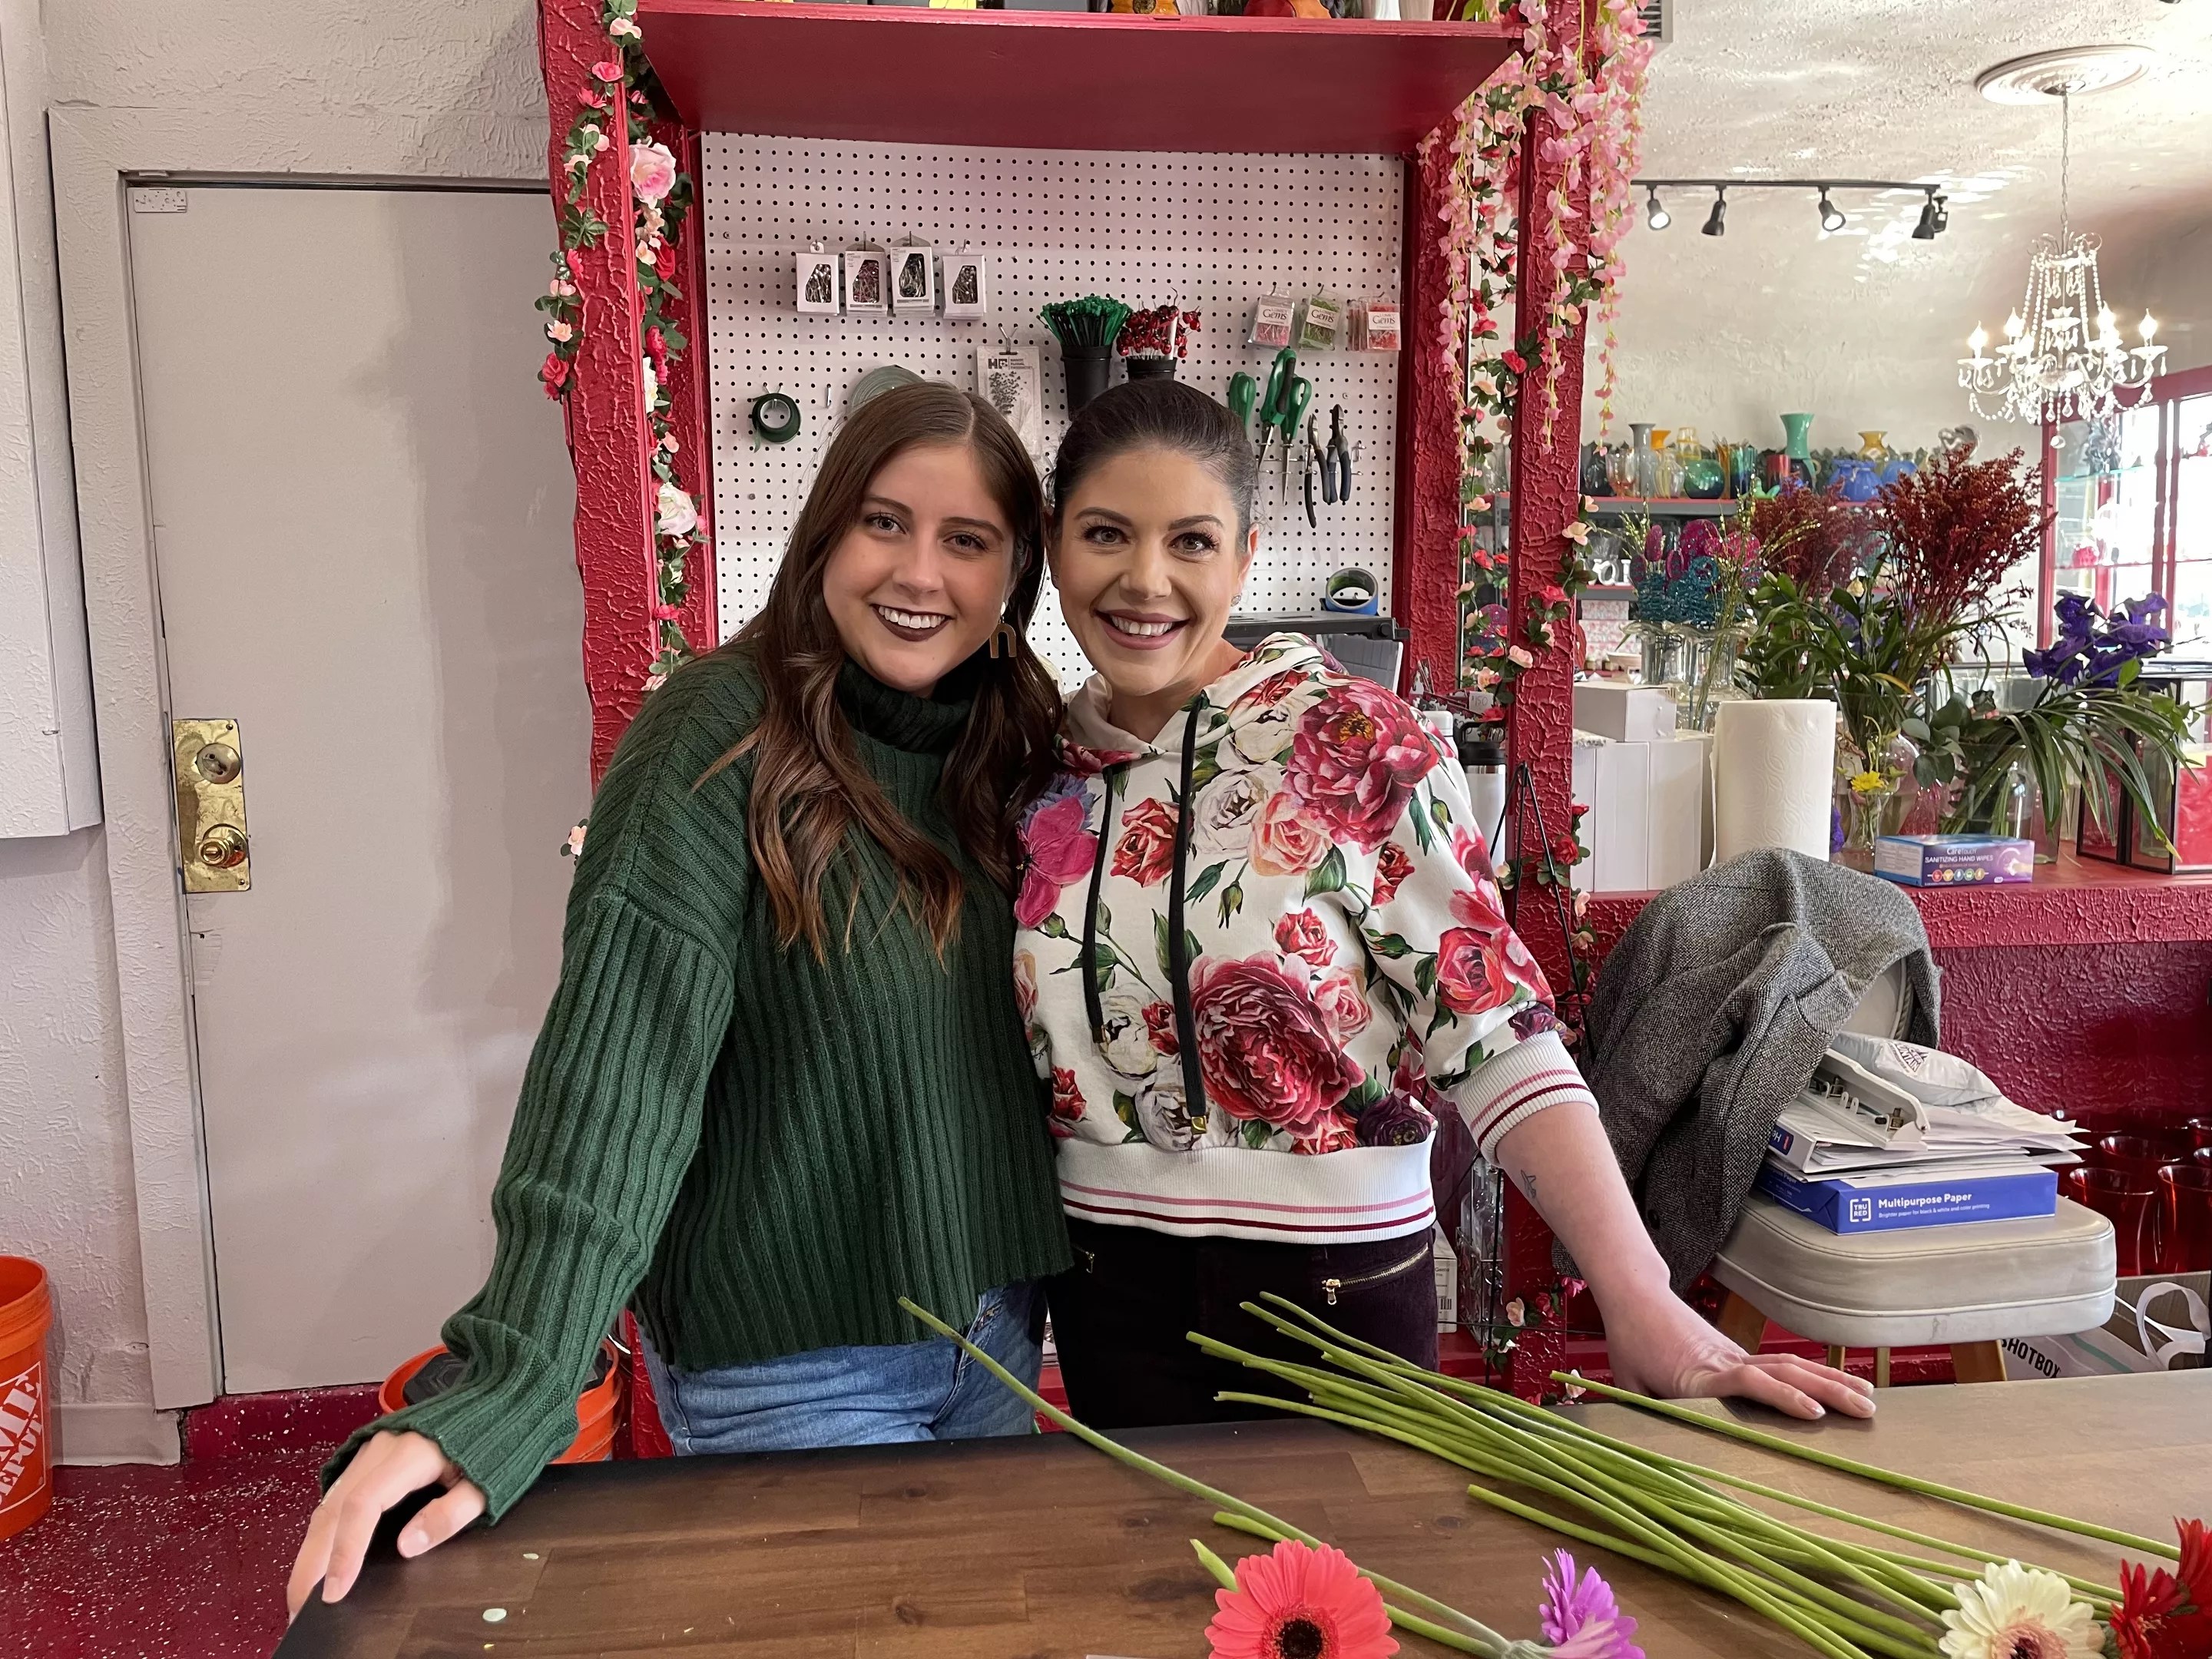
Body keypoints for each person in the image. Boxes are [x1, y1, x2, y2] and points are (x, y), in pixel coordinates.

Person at [289, 382, 1072, 1614]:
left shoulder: (1014, 744)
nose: (920, 573)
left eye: (966, 540)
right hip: (796, 1368)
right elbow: (621, 1082)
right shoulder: (716, 733)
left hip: (997, 1340)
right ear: (824, 531)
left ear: (1013, 577)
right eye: (884, 521)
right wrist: (513, 1380)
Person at [1016, 379, 1875, 1429]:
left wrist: (1639, 1294)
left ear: (1243, 561)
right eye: (1105, 534)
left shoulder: (1352, 739)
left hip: (1332, 1290)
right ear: (1053, 546)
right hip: (1105, 1292)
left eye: (1191, 542)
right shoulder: (1038, 773)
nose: (1145, 579)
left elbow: (1494, 1031)